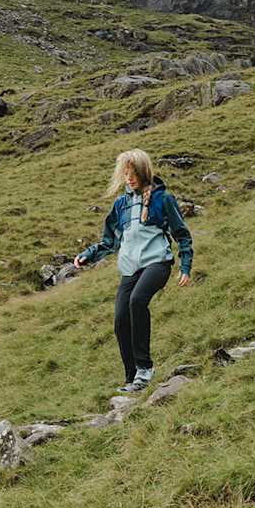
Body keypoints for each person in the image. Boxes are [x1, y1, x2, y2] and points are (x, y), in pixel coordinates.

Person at [73, 149, 193, 392]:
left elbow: (182, 234)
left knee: (137, 301)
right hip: (130, 269)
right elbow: (109, 241)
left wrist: (185, 266)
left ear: (143, 171)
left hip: (157, 262)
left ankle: (145, 369)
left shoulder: (163, 198)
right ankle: (132, 377)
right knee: (120, 319)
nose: (129, 178)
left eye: (133, 173)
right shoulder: (121, 204)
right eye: (125, 174)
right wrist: (89, 254)